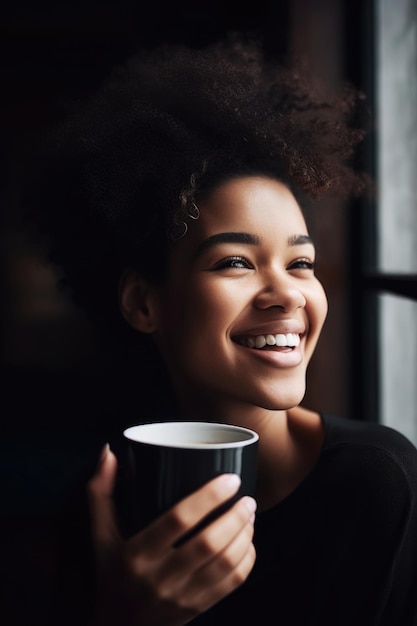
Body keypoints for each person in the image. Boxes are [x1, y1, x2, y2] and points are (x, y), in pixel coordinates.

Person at [18, 34, 417, 625]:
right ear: (142, 303)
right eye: (235, 262)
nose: (287, 293)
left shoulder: (377, 481)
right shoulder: (103, 502)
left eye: (300, 263)